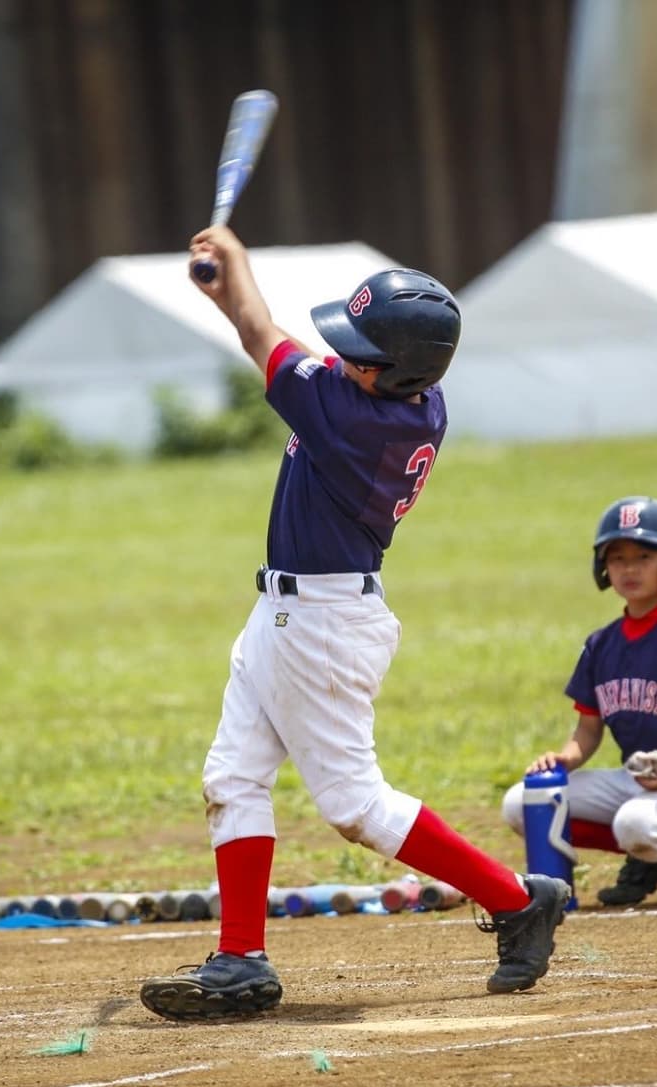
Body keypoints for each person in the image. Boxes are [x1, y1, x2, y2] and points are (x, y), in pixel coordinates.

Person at [139, 226, 571, 1021]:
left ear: (395, 371)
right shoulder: (412, 399)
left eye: (361, 351)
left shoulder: (350, 416)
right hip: (287, 612)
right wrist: (228, 288)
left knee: (355, 806)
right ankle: (242, 958)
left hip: (324, 625)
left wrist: (235, 268)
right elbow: (276, 340)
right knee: (231, 778)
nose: (344, 358)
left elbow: (261, 334)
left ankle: (518, 900)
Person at [501, 496, 657, 907]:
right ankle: (650, 855)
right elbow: (588, 729)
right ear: (602, 567)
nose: (629, 569)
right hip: (639, 777)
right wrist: (564, 760)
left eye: (644, 556)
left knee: (636, 822)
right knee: (524, 803)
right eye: (617, 558)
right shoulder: (601, 645)